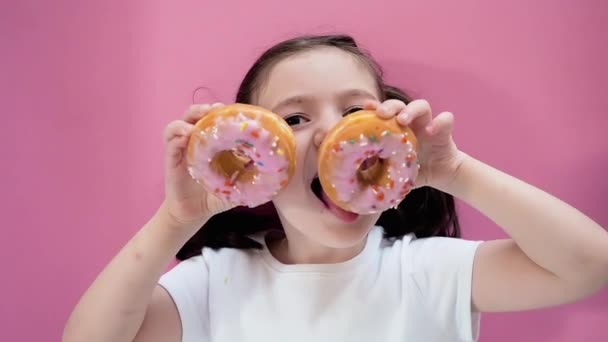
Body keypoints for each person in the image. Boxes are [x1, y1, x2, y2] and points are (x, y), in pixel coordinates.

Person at [63, 34, 608, 342]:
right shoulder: (216, 282)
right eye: (295, 119)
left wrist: (454, 172)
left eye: (353, 111)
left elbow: (588, 265)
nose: (330, 133)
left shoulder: (425, 272)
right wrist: (175, 220)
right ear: (249, 159)